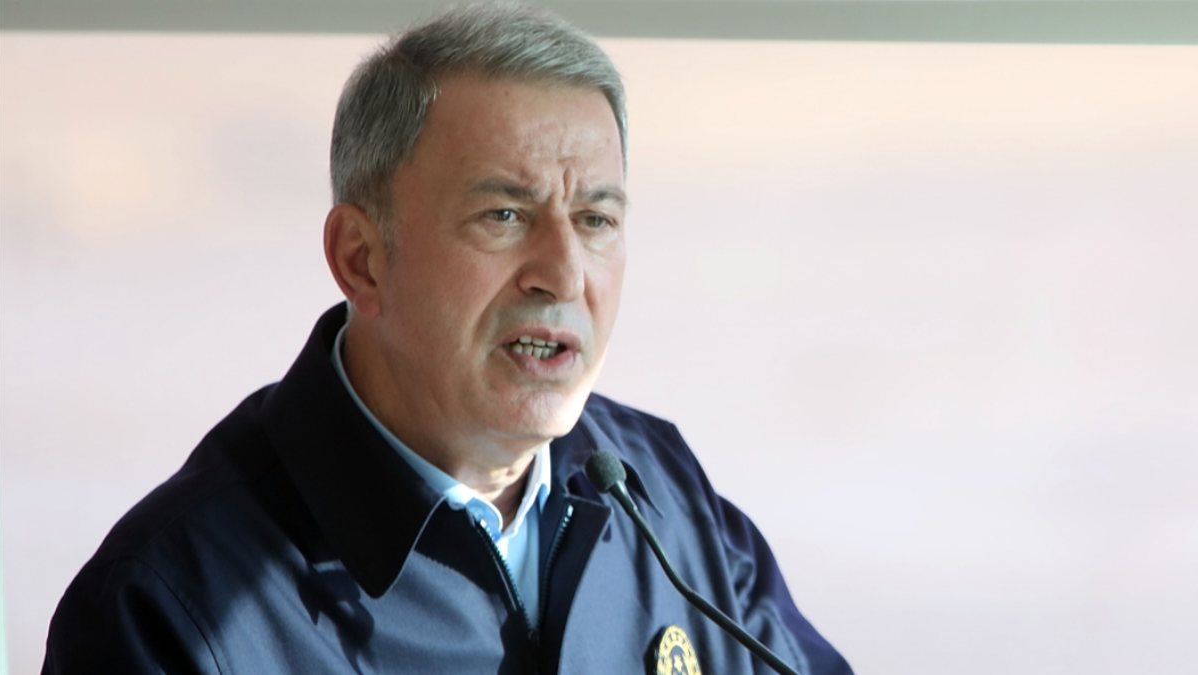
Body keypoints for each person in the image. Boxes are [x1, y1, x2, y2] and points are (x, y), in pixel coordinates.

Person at [42, 4, 852, 674]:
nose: (564, 273)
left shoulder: (659, 493)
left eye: (596, 219)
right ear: (361, 259)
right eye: (504, 215)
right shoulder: (170, 606)